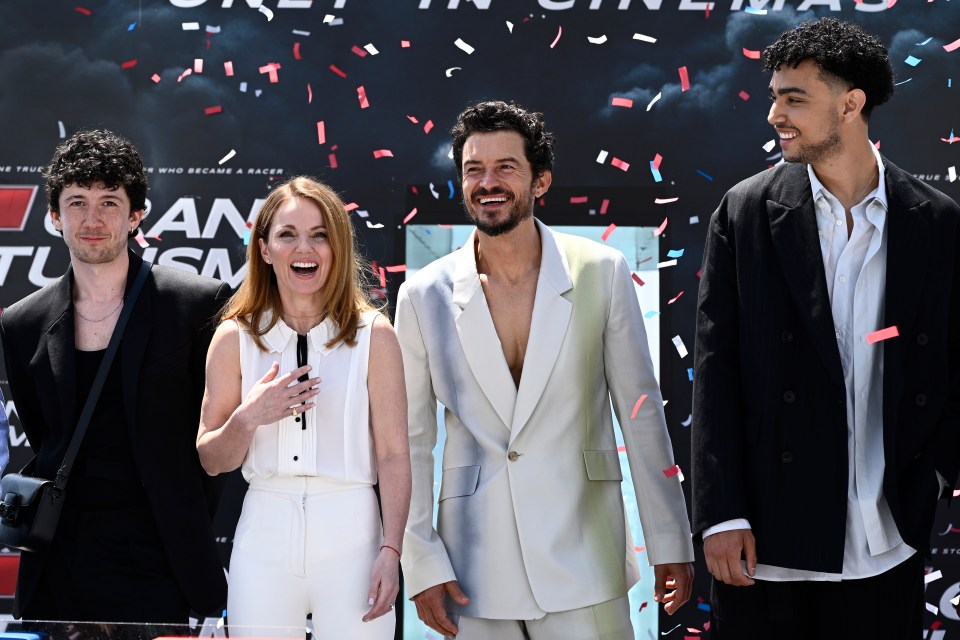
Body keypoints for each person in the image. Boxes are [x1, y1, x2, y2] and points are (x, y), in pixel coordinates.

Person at [691, 17, 960, 639]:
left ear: (851, 104)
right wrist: (721, 513)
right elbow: (717, 371)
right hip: (766, 543)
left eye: (794, 98)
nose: (775, 115)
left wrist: (939, 471)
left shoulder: (935, 220)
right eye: (774, 97)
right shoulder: (747, 211)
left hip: (887, 537)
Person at [395, 100, 695, 640]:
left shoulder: (601, 270)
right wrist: (421, 563)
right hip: (472, 567)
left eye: (505, 167)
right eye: (473, 169)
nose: (488, 182)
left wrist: (670, 540)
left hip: (585, 553)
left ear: (541, 180)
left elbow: (641, 414)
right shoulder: (422, 294)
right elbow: (411, 441)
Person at [0, 129, 230, 621]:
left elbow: (212, 435)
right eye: (77, 202)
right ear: (55, 216)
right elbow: (45, 435)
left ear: (136, 215)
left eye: (109, 202)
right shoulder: (21, 323)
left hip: (164, 557)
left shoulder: (194, 303)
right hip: (61, 556)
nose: (92, 219)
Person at [196, 176, 411, 638]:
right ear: (265, 249)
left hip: (354, 531)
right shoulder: (234, 337)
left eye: (319, 234)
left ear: (337, 248)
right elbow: (212, 460)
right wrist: (250, 416)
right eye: (287, 234)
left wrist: (392, 549)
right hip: (264, 531)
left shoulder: (376, 334)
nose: (304, 248)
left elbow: (394, 454)